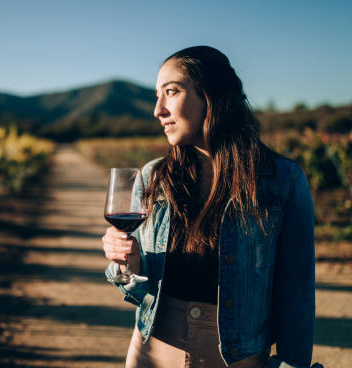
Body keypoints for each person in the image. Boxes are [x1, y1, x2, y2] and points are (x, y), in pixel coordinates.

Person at [102, 46, 318, 368]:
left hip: (237, 358)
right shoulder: (154, 176)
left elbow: (296, 291)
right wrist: (127, 263)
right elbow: (140, 283)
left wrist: (294, 365)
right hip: (152, 351)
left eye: (171, 92)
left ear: (212, 96)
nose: (158, 110)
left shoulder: (281, 180)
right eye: (157, 95)